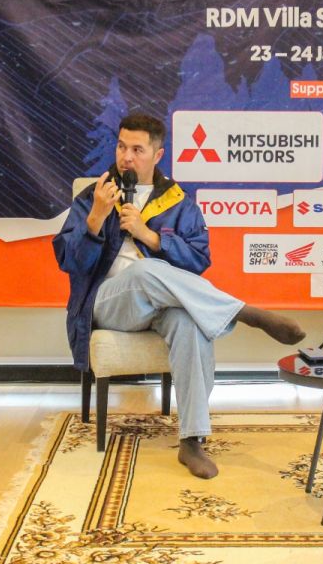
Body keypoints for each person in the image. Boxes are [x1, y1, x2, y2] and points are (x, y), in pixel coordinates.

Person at [54, 113, 305, 480]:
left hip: (158, 305)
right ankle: (242, 312)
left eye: (137, 150)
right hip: (106, 304)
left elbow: (199, 259)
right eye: (122, 147)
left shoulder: (178, 202)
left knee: (190, 323)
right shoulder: (94, 195)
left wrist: (150, 237)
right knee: (143, 272)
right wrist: (95, 218)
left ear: (157, 155)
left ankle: (192, 440)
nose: (126, 157)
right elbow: (68, 261)